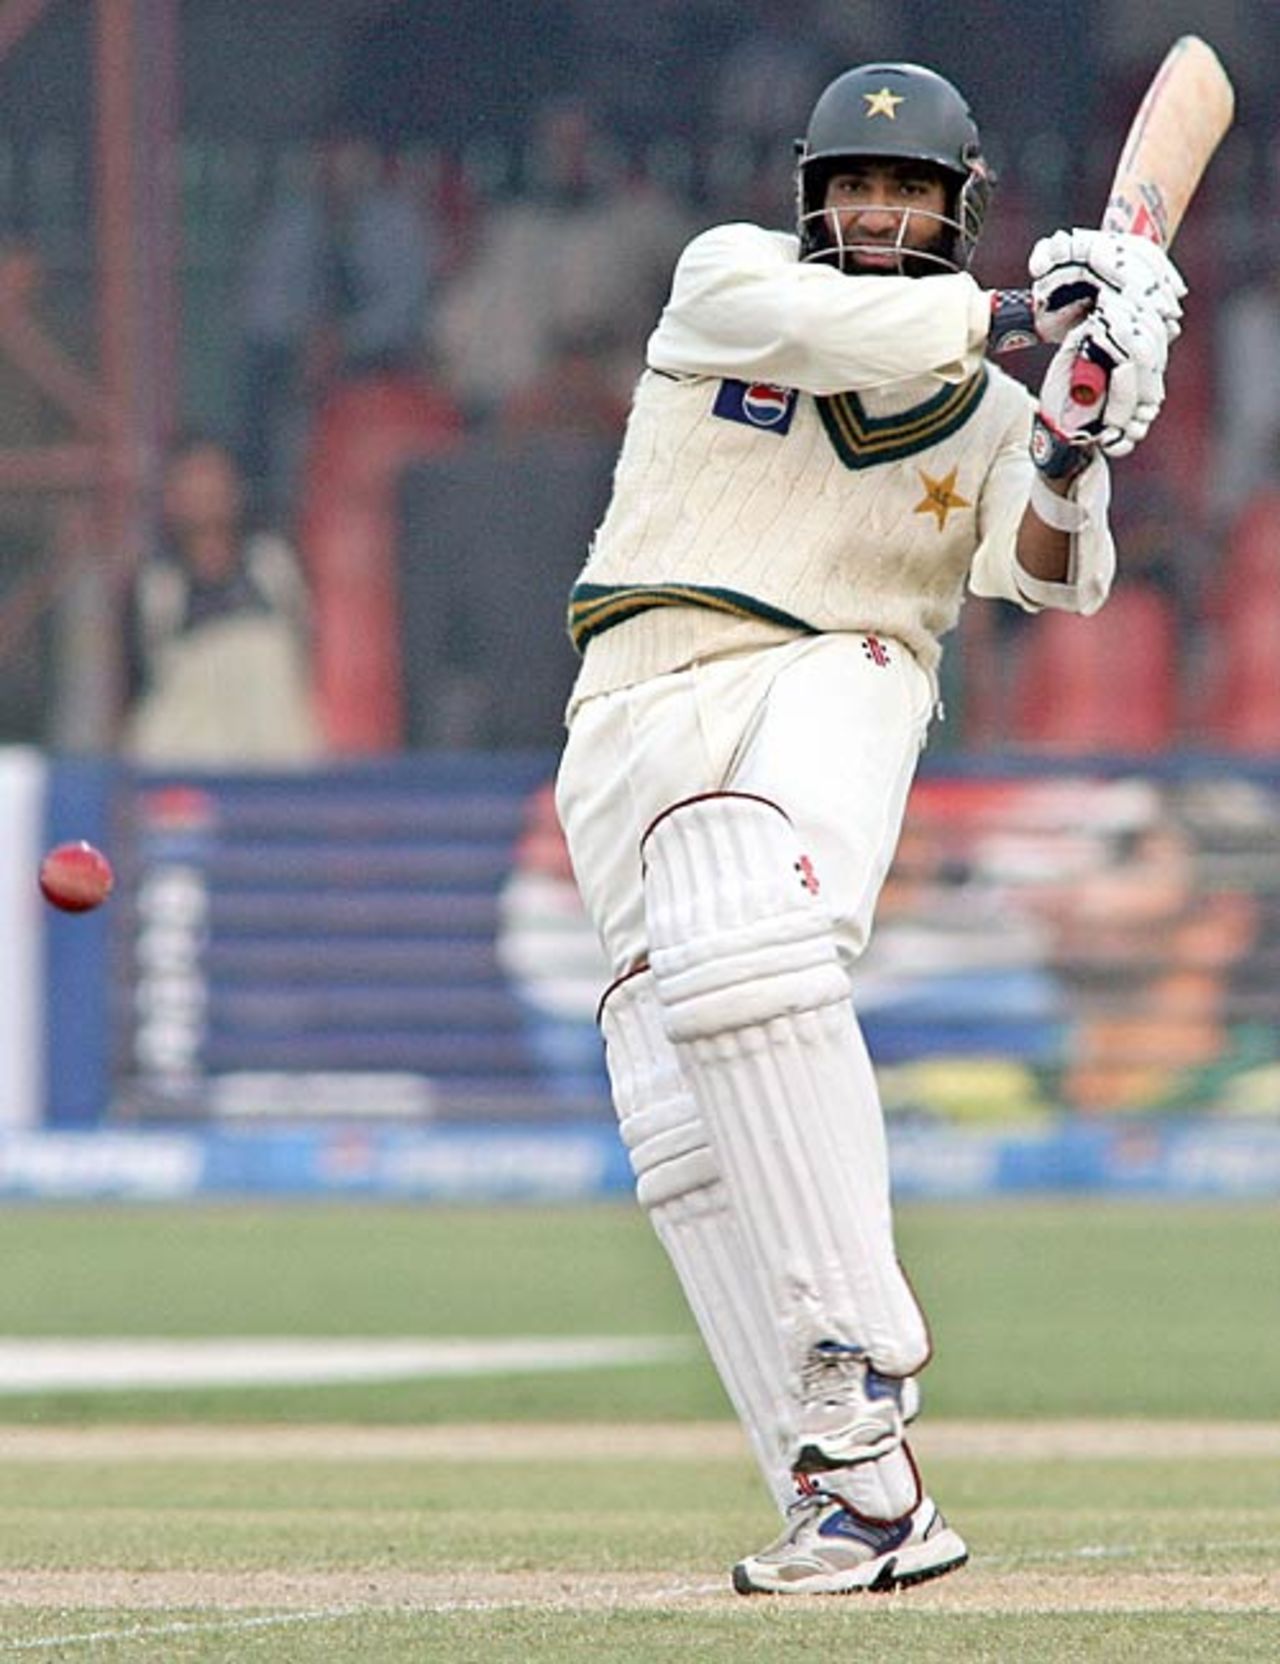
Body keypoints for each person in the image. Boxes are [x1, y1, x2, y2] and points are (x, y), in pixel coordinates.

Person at [553, 61, 1184, 1595]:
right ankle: (859, 1501)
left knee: (741, 918)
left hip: (841, 667)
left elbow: (1042, 571)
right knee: (671, 1076)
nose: (881, 214)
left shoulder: (986, 395)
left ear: (956, 211)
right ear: (812, 200)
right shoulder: (732, 284)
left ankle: (860, 1355)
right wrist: (1042, 321)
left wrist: (1074, 443)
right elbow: (860, 334)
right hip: (632, 699)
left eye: (911, 193)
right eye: (857, 188)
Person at [122, 434, 323, 765]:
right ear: (171, 498)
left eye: (212, 479)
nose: (204, 494)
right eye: (191, 482)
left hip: (276, 768)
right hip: (187, 770)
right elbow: (136, 687)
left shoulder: (274, 567)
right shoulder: (155, 589)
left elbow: (307, 652)